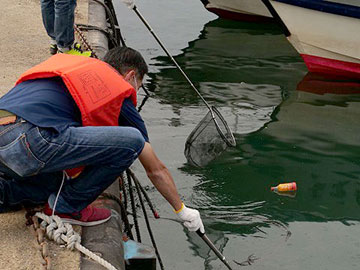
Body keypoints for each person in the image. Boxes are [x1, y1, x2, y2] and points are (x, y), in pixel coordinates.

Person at [0, 46, 204, 233]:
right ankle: (66, 207)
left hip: (7, 136)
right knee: (132, 141)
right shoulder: (114, 88)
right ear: (130, 75)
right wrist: (181, 209)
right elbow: (154, 167)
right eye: (138, 87)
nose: (135, 95)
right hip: (28, 142)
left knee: (53, 183)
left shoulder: (74, 67)